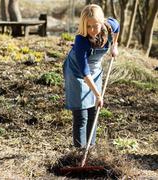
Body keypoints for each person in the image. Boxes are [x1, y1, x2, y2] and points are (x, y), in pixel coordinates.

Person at [63, 4, 119, 148]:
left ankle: (90, 149)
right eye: (89, 26)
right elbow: (84, 72)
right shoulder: (81, 40)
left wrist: (114, 46)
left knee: (94, 112)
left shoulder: (109, 27)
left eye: (96, 25)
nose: (93, 30)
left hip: (95, 71)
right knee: (81, 115)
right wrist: (98, 95)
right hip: (77, 73)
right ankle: (79, 152)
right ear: (83, 25)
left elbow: (117, 26)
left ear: (102, 22)